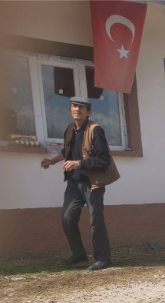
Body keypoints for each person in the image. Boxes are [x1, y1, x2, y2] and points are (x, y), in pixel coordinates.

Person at [41, 96, 119, 270]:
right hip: (74, 183)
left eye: (81, 107)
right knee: (67, 219)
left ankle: (103, 258)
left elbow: (103, 160)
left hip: (93, 183)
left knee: (96, 221)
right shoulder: (70, 129)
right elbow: (67, 151)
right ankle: (79, 254)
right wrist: (52, 161)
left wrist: (79, 163)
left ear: (88, 112)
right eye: (74, 106)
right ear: (70, 110)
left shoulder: (95, 130)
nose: (77, 109)